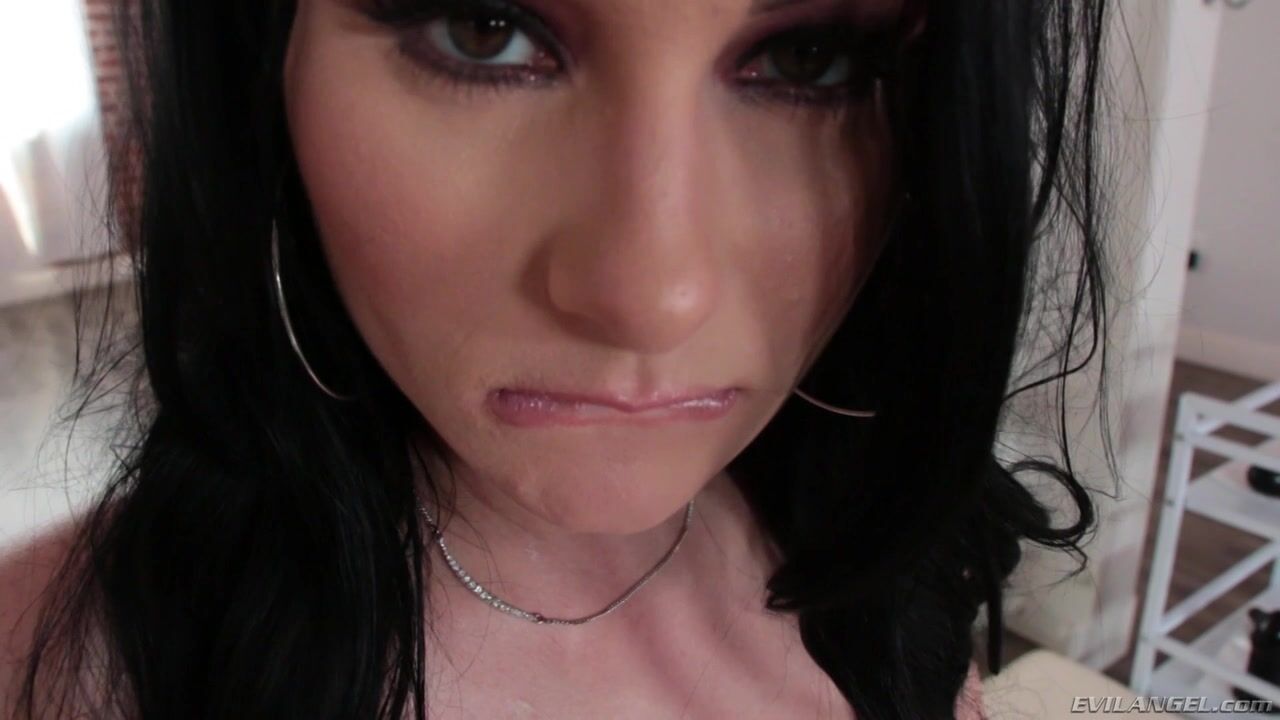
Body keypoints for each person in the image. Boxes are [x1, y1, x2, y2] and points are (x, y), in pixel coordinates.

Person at [3, 0, 1113, 717]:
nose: (651, 294)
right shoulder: (63, 663)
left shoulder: (880, 559)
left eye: (808, 58)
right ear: (261, 70)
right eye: (482, 30)